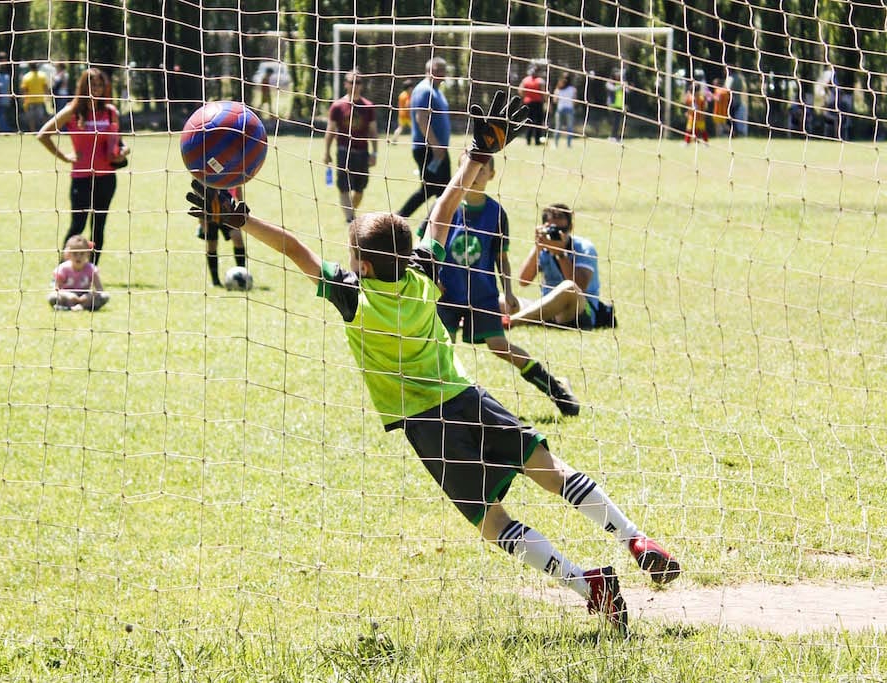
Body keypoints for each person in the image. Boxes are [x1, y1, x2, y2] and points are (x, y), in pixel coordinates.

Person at [190, 92, 682, 633]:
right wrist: (477, 152)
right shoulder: (425, 272)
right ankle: (635, 537)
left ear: (360, 262)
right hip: (469, 398)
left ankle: (588, 585)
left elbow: (293, 249)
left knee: (491, 521)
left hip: (425, 423)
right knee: (552, 472)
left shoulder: (353, 297)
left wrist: (239, 216)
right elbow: (445, 205)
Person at [424, 153, 579, 416]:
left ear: (492, 175)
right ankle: (437, 407)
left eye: (481, 171)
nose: (474, 176)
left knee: (499, 345)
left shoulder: (496, 213)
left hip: (483, 295)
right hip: (447, 293)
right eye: (469, 170)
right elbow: (425, 246)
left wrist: (507, 291)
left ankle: (556, 388)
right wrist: (433, 277)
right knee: (441, 348)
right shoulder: (444, 205)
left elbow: (501, 257)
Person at [37, 67, 129, 265]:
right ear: (83, 86)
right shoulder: (73, 111)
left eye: (100, 85)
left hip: (106, 178)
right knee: (77, 226)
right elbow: (43, 134)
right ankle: (62, 272)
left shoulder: (111, 112)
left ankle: (90, 273)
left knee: (98, 227)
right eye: (92, 84)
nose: (96, 89)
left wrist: (123, 152)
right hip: (81, 178)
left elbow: (118, 142)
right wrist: (64, 157)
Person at [507, 204, 607, 330]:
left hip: (578, 310)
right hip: (547, 309)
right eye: (552, 230)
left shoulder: (584, 248)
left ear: (570, 228)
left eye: (561, 231)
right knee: (501, 300)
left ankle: (513, 321)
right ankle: (528, 318)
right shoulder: (544, 247)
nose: (556, 235)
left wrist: (560, 254)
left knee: (568, 287)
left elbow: (579, 286)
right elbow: (523, 281)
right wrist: (538, 247)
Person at [397, 57, 451, 218]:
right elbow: (422, 119)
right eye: (437, 70)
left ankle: (436, 222)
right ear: (428, 70)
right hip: (428, 149)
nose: (441, 73)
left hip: (437, 149)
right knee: (433, 189)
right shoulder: (424, 90)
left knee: (442, 190)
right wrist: (435, 146)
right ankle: (401, 217)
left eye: (443, 70)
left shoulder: (436, 90)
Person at [323, 69, 378, 226]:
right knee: (344, 186)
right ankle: (349, 219)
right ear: (346, 84)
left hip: (362, 152)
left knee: (360, 190)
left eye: (358, 82)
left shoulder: (368, 106)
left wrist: (374, 153)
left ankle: (350, 213)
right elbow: (330, 130)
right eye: (352, 82)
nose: (355, 85)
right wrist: (326, 152)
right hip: (343, 151)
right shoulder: (337, 106)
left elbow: (373, 132)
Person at [49, 234, 110, 311]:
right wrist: (68, 295)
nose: (78, 257)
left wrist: (88, 296)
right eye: (75, 253)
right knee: (52, 297)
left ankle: (81, 307)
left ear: (88, 254)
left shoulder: (91, 269)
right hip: (67, 296)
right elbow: (56, 288)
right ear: (68, 254)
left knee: (105, 296)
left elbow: (99, 289)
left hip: (84, 296)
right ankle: (70, 307)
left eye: (82, 253)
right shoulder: (63, 268)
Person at [197, 210, 248, 288]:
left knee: (237, 238)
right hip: (210, 214)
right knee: (212, 245)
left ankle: (243, 275)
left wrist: (240, 208)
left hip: (227, 211)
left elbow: (237, 197)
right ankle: (215, 281)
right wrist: (201, 220)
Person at [518, 65, 546, 145]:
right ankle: (537, 141)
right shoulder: (540, 81)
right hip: (537, 103)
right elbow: (544, 93)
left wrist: (526, 96)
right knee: (538, 123)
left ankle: (528, 140)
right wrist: (547, 102)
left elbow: (520, 91)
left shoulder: (525, 80)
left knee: (529, 122)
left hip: (528, 103)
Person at [20, 62, 49, 132]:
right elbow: (45, 88)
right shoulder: (43, 75)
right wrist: (48, 97)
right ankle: (45, 130)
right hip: (40, 99)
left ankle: (33, 131)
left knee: (31, 118)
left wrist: (24, 99)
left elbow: (24, 90)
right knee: (44, 117)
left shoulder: (26, 77)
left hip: (30, 101)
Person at [552, 72, 577, 148]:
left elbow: (555, 100)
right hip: (569, 109)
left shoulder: (558, 89)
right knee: (570, 128)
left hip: (560, 108)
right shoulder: (573, 89)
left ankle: (555, 144)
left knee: (558, 127)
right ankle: (569, 145)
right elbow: (575, 101)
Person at [683, 79, 710, 144]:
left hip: (700, 117)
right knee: (689, 129)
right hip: (692, 117)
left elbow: (704, 107)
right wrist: (687, 112)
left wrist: (703, 114)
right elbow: (685, 103)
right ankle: (687, 142)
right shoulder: (690, 98)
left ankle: (705, 142)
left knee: (702, 130)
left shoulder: (701, 98)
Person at [605, 68, 624, 141]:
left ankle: (615, 136)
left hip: (619, 106)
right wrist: (621, 86)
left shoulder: (620, 83)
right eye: (616, 74)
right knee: (613, 122)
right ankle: (612, 136)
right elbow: (613, 89)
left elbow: (626, 92)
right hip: (612, 105)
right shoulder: (609, 83)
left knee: (618, 122)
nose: (618, 76)